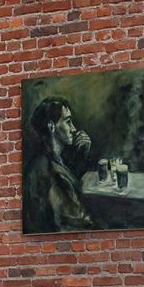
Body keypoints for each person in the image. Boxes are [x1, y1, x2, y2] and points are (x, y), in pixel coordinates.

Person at [23, 96, 96, 232]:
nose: (73, 128)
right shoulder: (51, 171)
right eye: (68, 122)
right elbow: (73, 223)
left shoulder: (45, 159)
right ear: (51, 126)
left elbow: (70, 182)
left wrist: (82, 155)